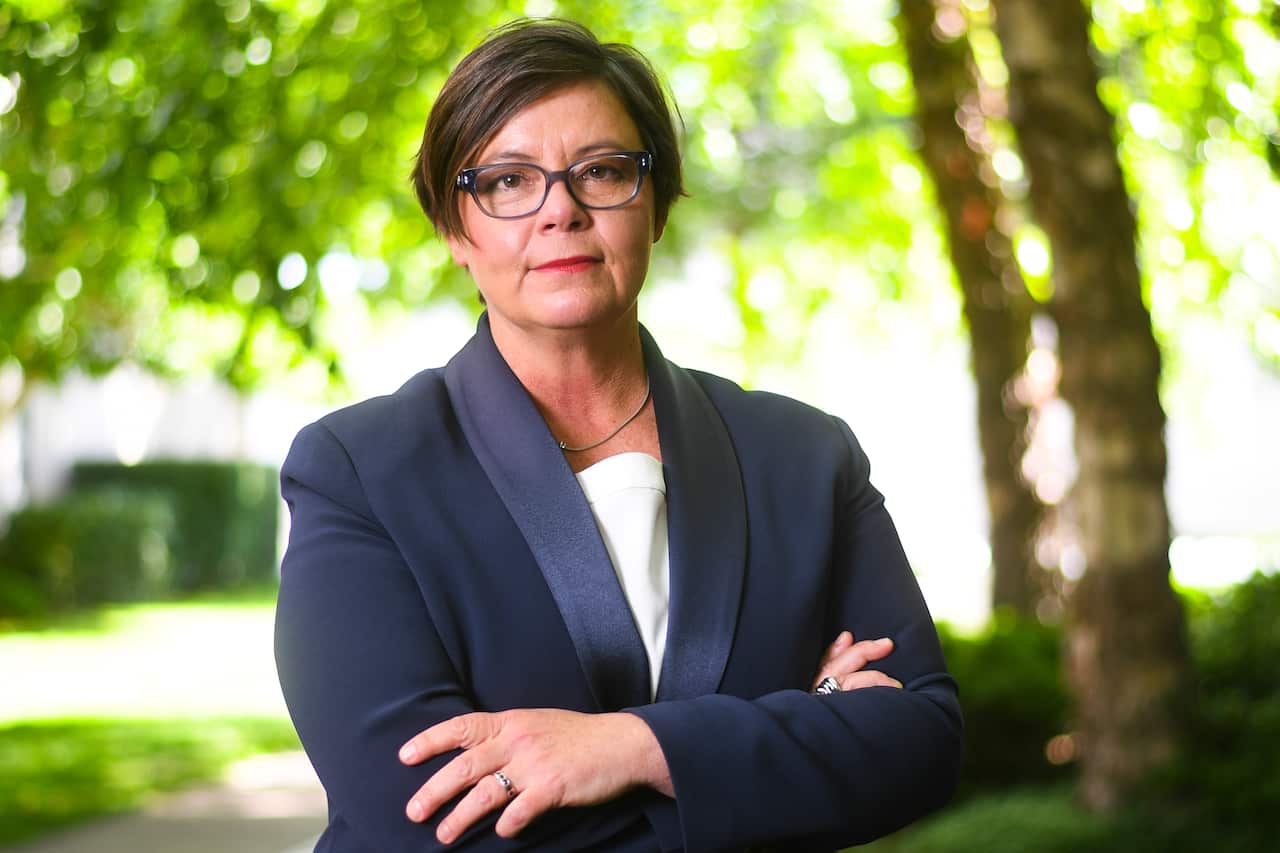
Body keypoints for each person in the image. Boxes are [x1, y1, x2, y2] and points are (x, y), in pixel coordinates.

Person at [274, 18, 961, 853]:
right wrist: (790, 738)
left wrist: (631, 748)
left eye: (601, 171)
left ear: (658, 203)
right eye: (508, 181)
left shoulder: (807, 458)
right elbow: (424, 821)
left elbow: (922, 741)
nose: (560, 210)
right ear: (456, 229)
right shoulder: (357, 471)